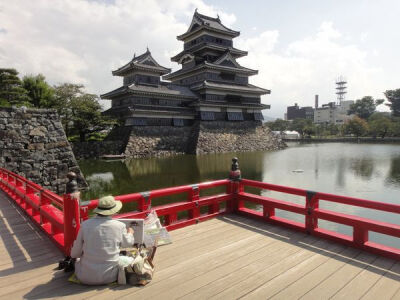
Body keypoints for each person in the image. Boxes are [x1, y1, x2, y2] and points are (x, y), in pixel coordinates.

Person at [71, 195, 134, 285]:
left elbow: (74, 254)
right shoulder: (120, 226)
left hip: (85, 277)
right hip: (111, 277)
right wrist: (130, 233)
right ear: (114, 210)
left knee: (77, 261)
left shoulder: (85, 225)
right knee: (125, 259)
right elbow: (128, 243)